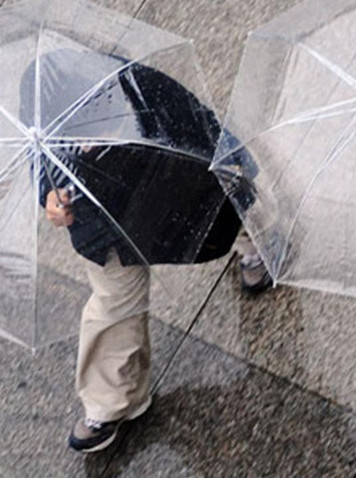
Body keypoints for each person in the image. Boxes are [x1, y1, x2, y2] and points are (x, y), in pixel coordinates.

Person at [28, 49, 268, 453]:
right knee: (113, 303)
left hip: (167, 184)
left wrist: (234, 166)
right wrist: (50, 196)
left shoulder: (136, 85)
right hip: (101, 222)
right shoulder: (40, 89)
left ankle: (259, 243)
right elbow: (41, 161)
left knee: (220, 216)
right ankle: (110, 402)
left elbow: (199, 131)